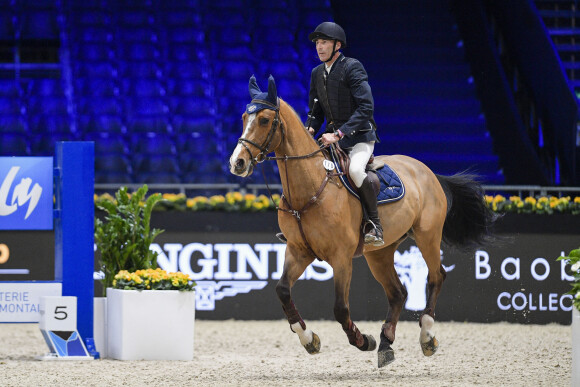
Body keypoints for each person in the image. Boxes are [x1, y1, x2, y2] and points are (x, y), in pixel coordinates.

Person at [277, 21, 383, 246]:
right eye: (317, 43)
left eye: (324, 42)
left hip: (359, 137)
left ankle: (374, 224)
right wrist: (311, 128)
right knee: (304, 169)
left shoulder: (352, 67)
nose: (319, 47)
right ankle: (298, 224)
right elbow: (315, 112)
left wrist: (339, 134)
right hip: (331, 139)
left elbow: (366, 108)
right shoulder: (317, 73)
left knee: (355, 169)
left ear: (337, 45)